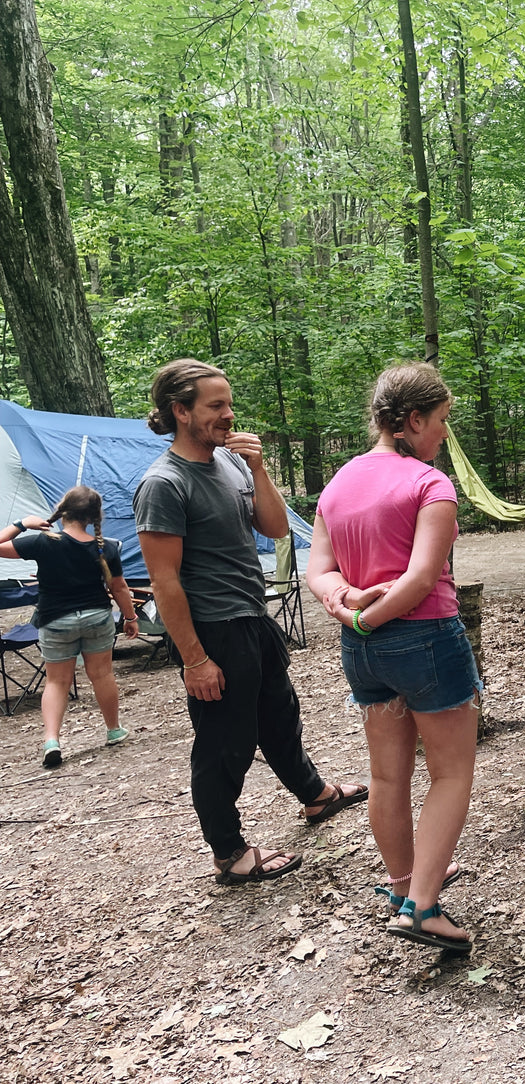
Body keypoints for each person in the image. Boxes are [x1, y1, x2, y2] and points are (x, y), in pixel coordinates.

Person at [133, 359, 368, 886]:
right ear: (180, 411)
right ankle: (230, 853)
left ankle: (316, 796)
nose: (228, 414)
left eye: (228, 403)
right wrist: (194, 658)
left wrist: (259, 469)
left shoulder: (234, 463)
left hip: (252, 618)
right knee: (225, 745)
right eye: (215, 406)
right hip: (214, 629)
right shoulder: (164, 483)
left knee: (280, 717)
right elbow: (165, 582)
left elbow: (276, 527)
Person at [306, 362, 480, 954]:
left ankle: (403, 884)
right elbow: (423, 575)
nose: (442, 435)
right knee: (451, 773)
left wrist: (346, 606)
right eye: (440, 422)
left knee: (387, 774)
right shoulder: (430, 485)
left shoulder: (339, 482)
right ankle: (423, 908)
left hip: (363, 653)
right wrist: (366, 612)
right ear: (411, 421)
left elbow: (318, 571)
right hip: (426, 640)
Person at [0, 486, 140, 767]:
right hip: (97, 617)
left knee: (57, 681)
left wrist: (21, 524)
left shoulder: (42, 542)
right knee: (101, 675)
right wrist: (130, 617)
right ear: (93, 516)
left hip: (56, 619)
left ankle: (52, 740)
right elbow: (119, 587)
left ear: (62, 511)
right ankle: (113, 729)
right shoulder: (106, 547)